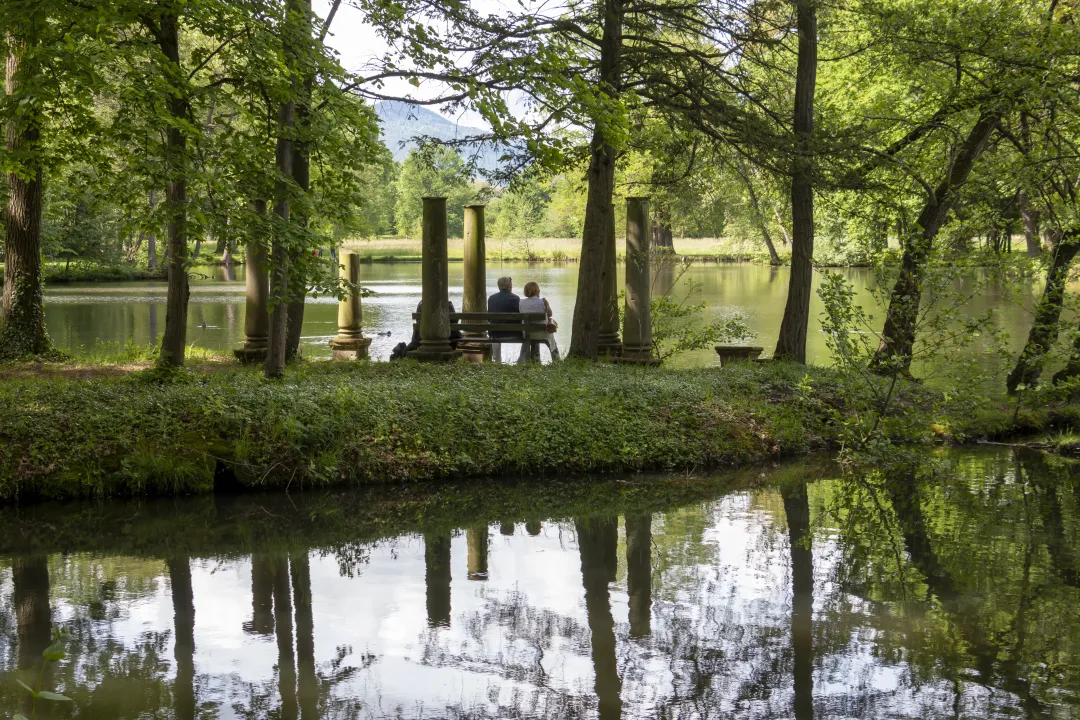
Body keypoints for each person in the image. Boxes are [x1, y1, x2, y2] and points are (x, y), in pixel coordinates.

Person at [517, 281, 560, 363]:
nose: (539, 291)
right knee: (551, 338)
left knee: (533, 333)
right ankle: (556, 360)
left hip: (527, 333)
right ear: (536, 291)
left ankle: (536, 360)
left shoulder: (521, 302)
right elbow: (550, 314)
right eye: (538, 289)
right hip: (542, 332)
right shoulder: (543, 301)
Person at [487, 276, 520, 363]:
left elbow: (489, 318)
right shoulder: (516, 298)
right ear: (508, 286)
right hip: (514, 333)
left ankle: (497, 360)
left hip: (495, 333)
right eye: (511, 285)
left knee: (495, 330)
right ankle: (523, 359)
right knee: (527, 332)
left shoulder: (491, 298)